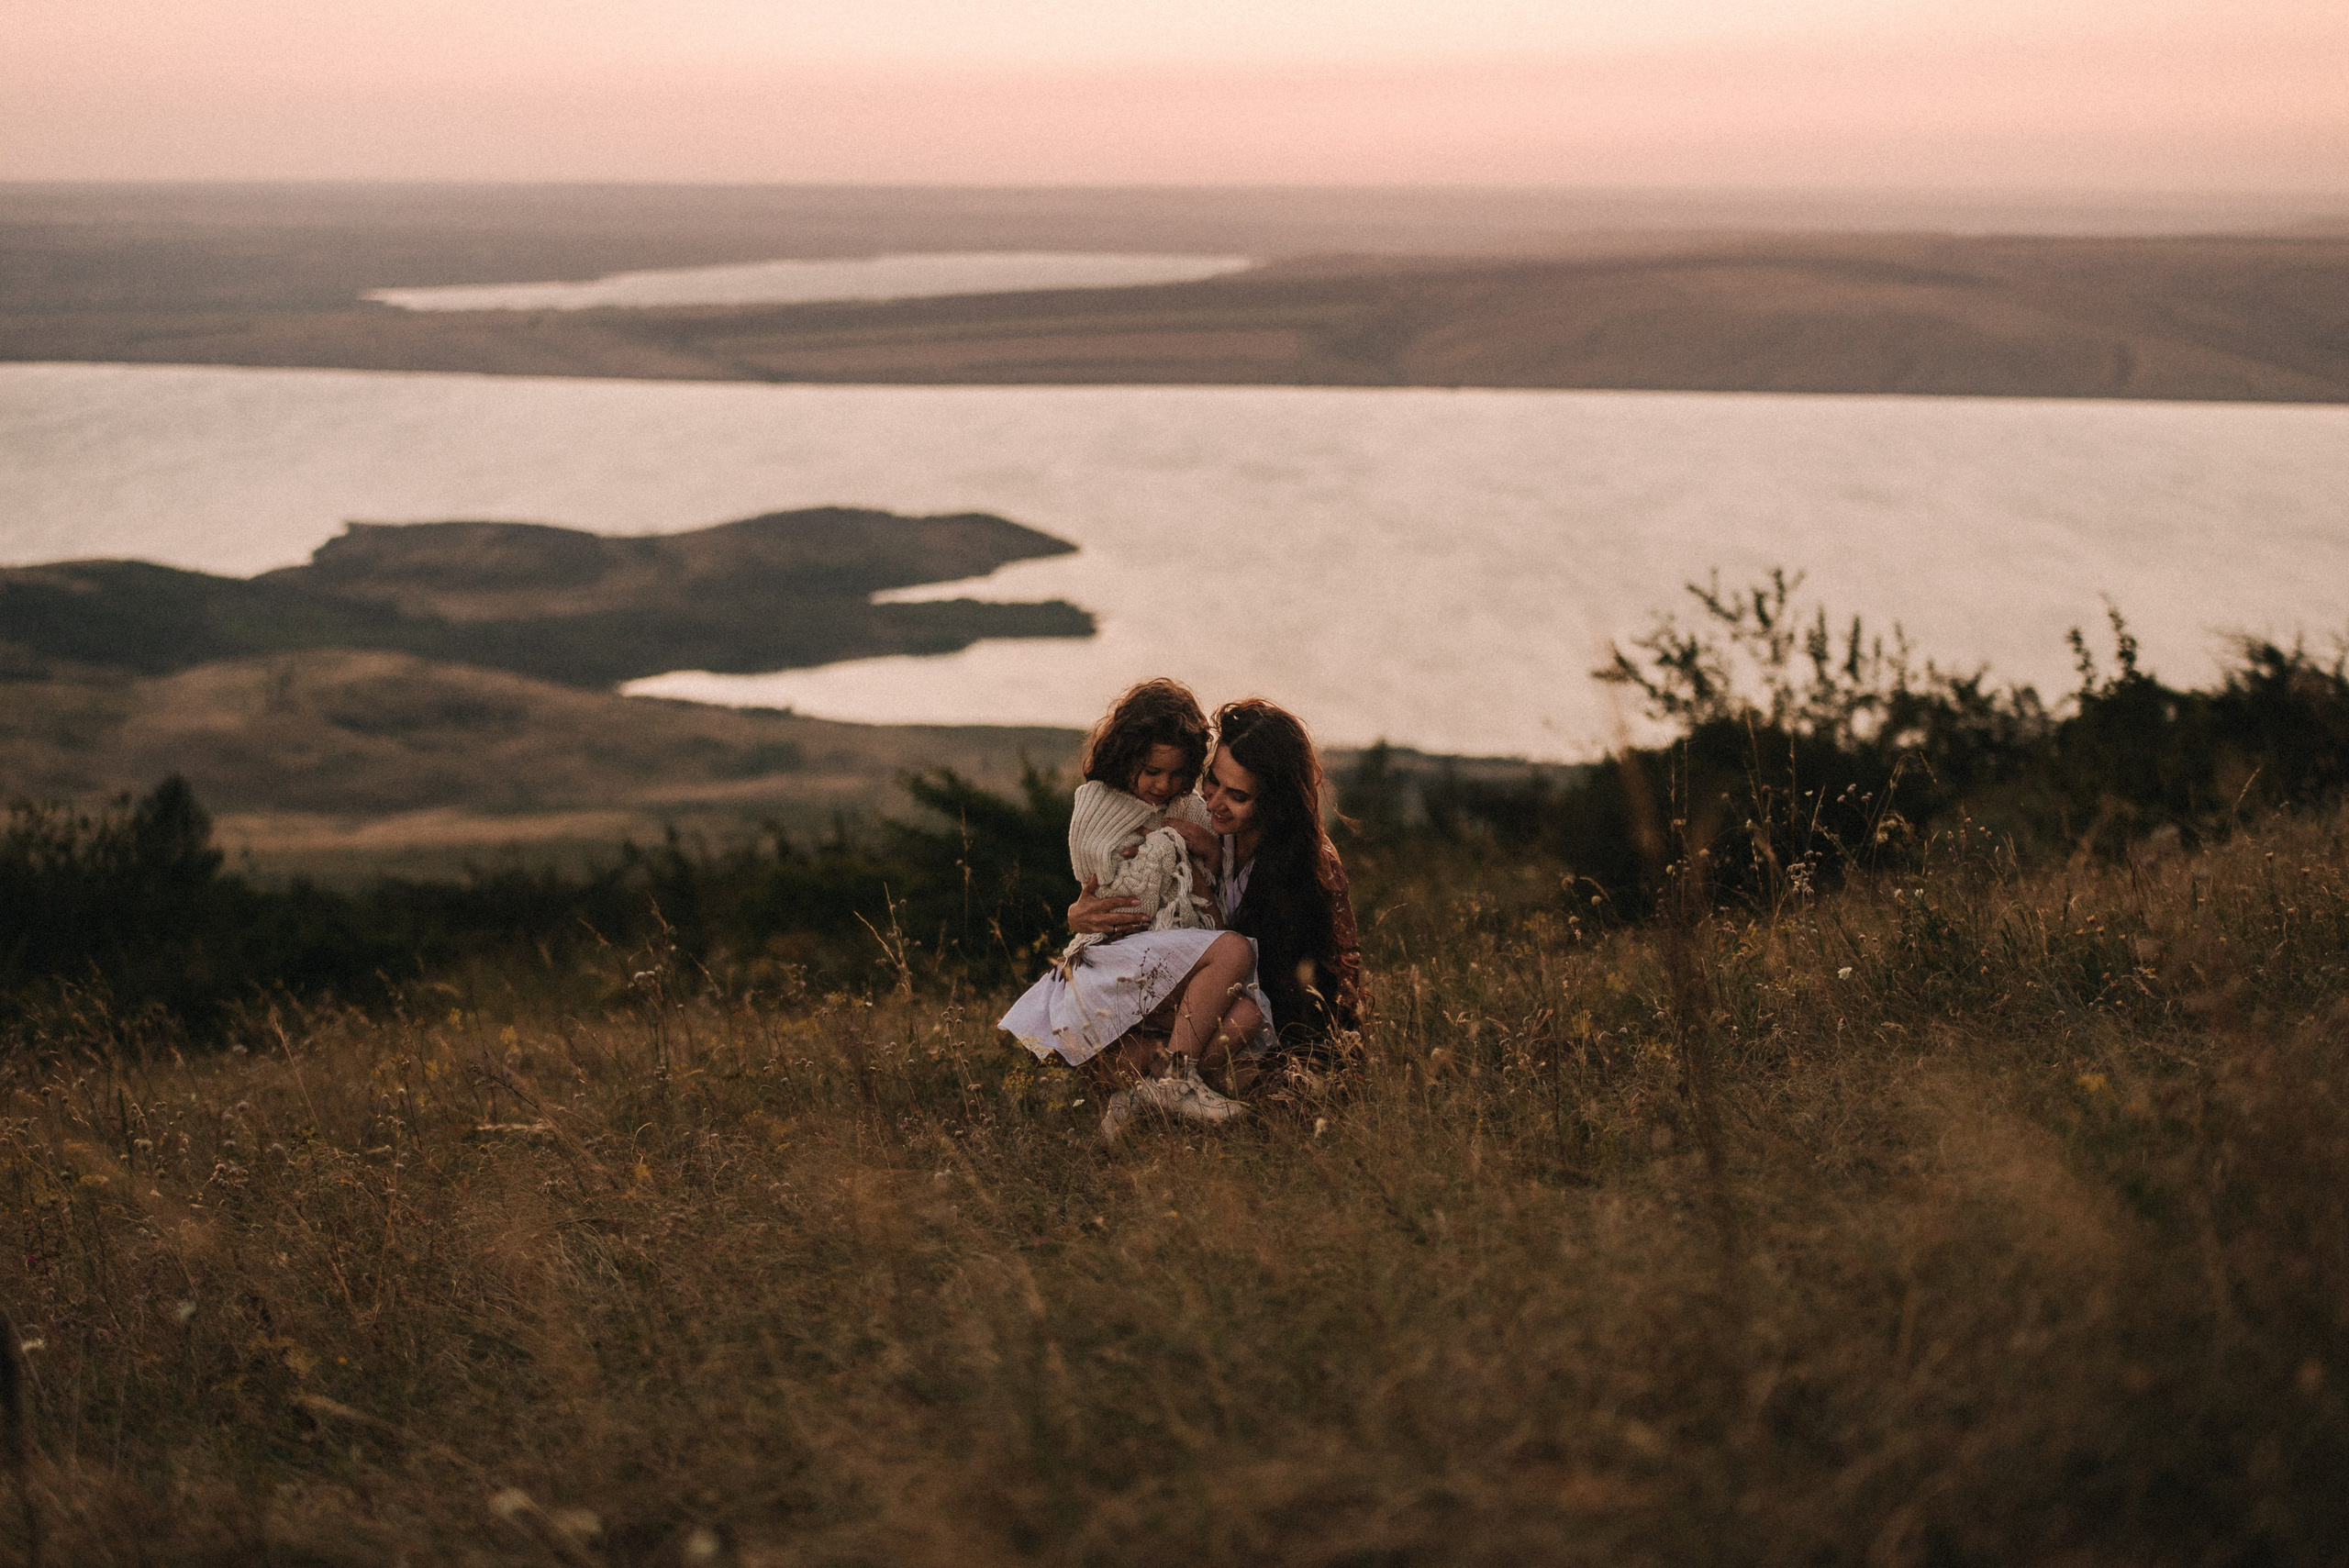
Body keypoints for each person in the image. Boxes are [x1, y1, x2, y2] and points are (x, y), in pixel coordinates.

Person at [997, 680, 1271, 1134]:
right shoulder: (1098, 804)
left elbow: (1209, 901)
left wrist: (1204, 851)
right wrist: (1169, 841)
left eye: (1178, 773)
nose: (1164, 786)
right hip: (1121, 949)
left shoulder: (1194, 809)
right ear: (1124, 760)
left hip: (1169, 957)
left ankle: (1143, 1092)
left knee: (1245, 1016)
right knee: (1236, 952)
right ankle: (1174, 1080)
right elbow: (1112, 885)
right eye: (1151, 772)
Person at [1070, 697, 1364, 1097]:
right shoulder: (1195, 820)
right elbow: (1135, 895)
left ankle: (1169, 1086)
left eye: (1237, 796)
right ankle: (1171, 1084)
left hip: (1261, 1023)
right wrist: (1080, 914)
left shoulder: (1304, 869)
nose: (1213, 802)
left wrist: (1202, 881)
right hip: (1191, 1007)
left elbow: (1276, 982)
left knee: (1239, 1076)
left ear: (1273, 804)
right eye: (1212, 780)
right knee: (1097, 1060)